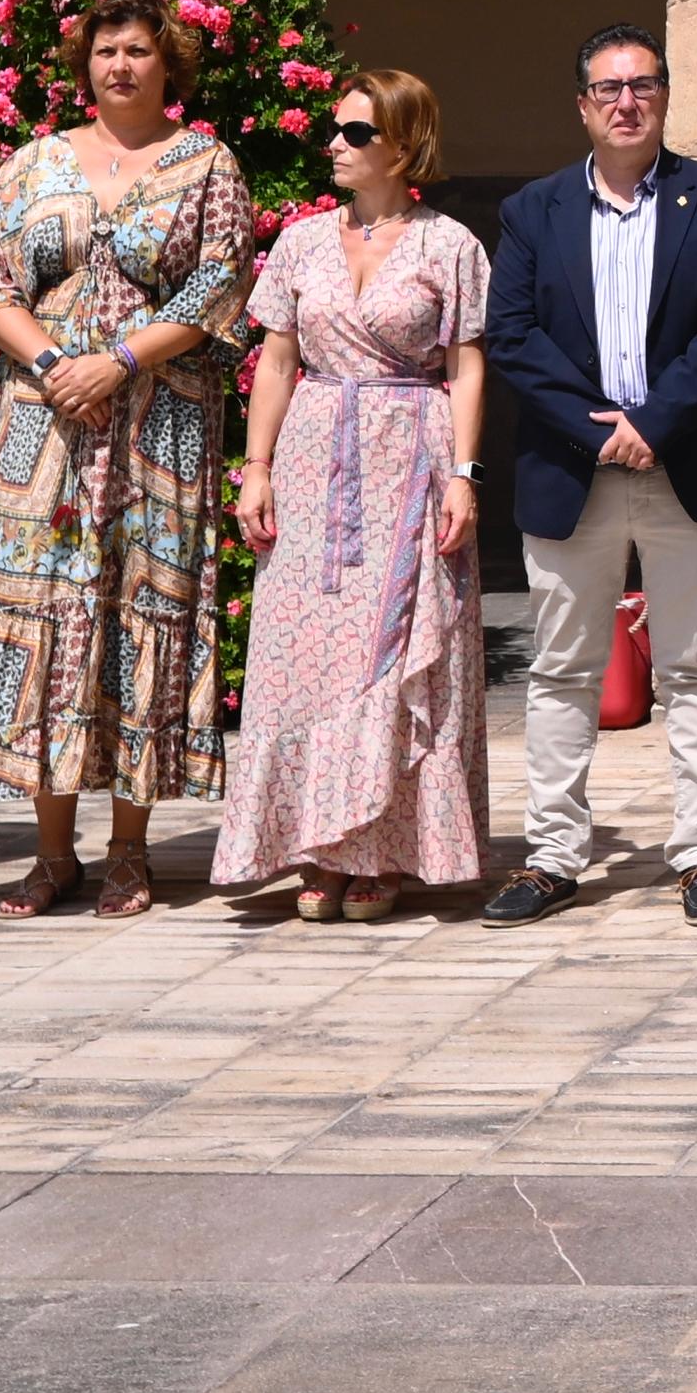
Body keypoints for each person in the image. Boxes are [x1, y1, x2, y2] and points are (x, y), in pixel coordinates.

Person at [0, 0, 257, 918]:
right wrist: (52, 362)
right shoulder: (32, 163)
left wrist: (116, 361)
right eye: (106, 50)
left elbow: (220, 280)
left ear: (169, 64)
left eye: (139, 51)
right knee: (39, 612)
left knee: (136, 614)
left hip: (158, 421)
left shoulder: (205, 163)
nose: (121, 65)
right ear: (86, 64)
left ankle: (128, 849)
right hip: (41, 429)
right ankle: (49, 851)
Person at [484, 21, 697, 928]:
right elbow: (513, 335)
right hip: (573, 469)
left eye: (642, 84)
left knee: (694, 665)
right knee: (564, 668)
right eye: (608, 88)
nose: (626, 101)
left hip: (690, 465)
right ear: (582, 104)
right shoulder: (534, 211)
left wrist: (654, 421)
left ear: (665, 96)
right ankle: (555, 854)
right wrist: (599, 429)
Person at [213, 71, 494, 922]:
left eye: (357, 133)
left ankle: (382, 848)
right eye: (335, 131)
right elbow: (275, 360)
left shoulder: (450, 244)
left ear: (404, 145)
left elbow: (467, 366)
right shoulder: (299, 244)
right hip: (312, 457)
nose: (335, 144)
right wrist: (255, 465)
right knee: (303, 654)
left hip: (411, 455)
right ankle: (317, 845)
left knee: (399, 650)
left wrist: (463, 475)